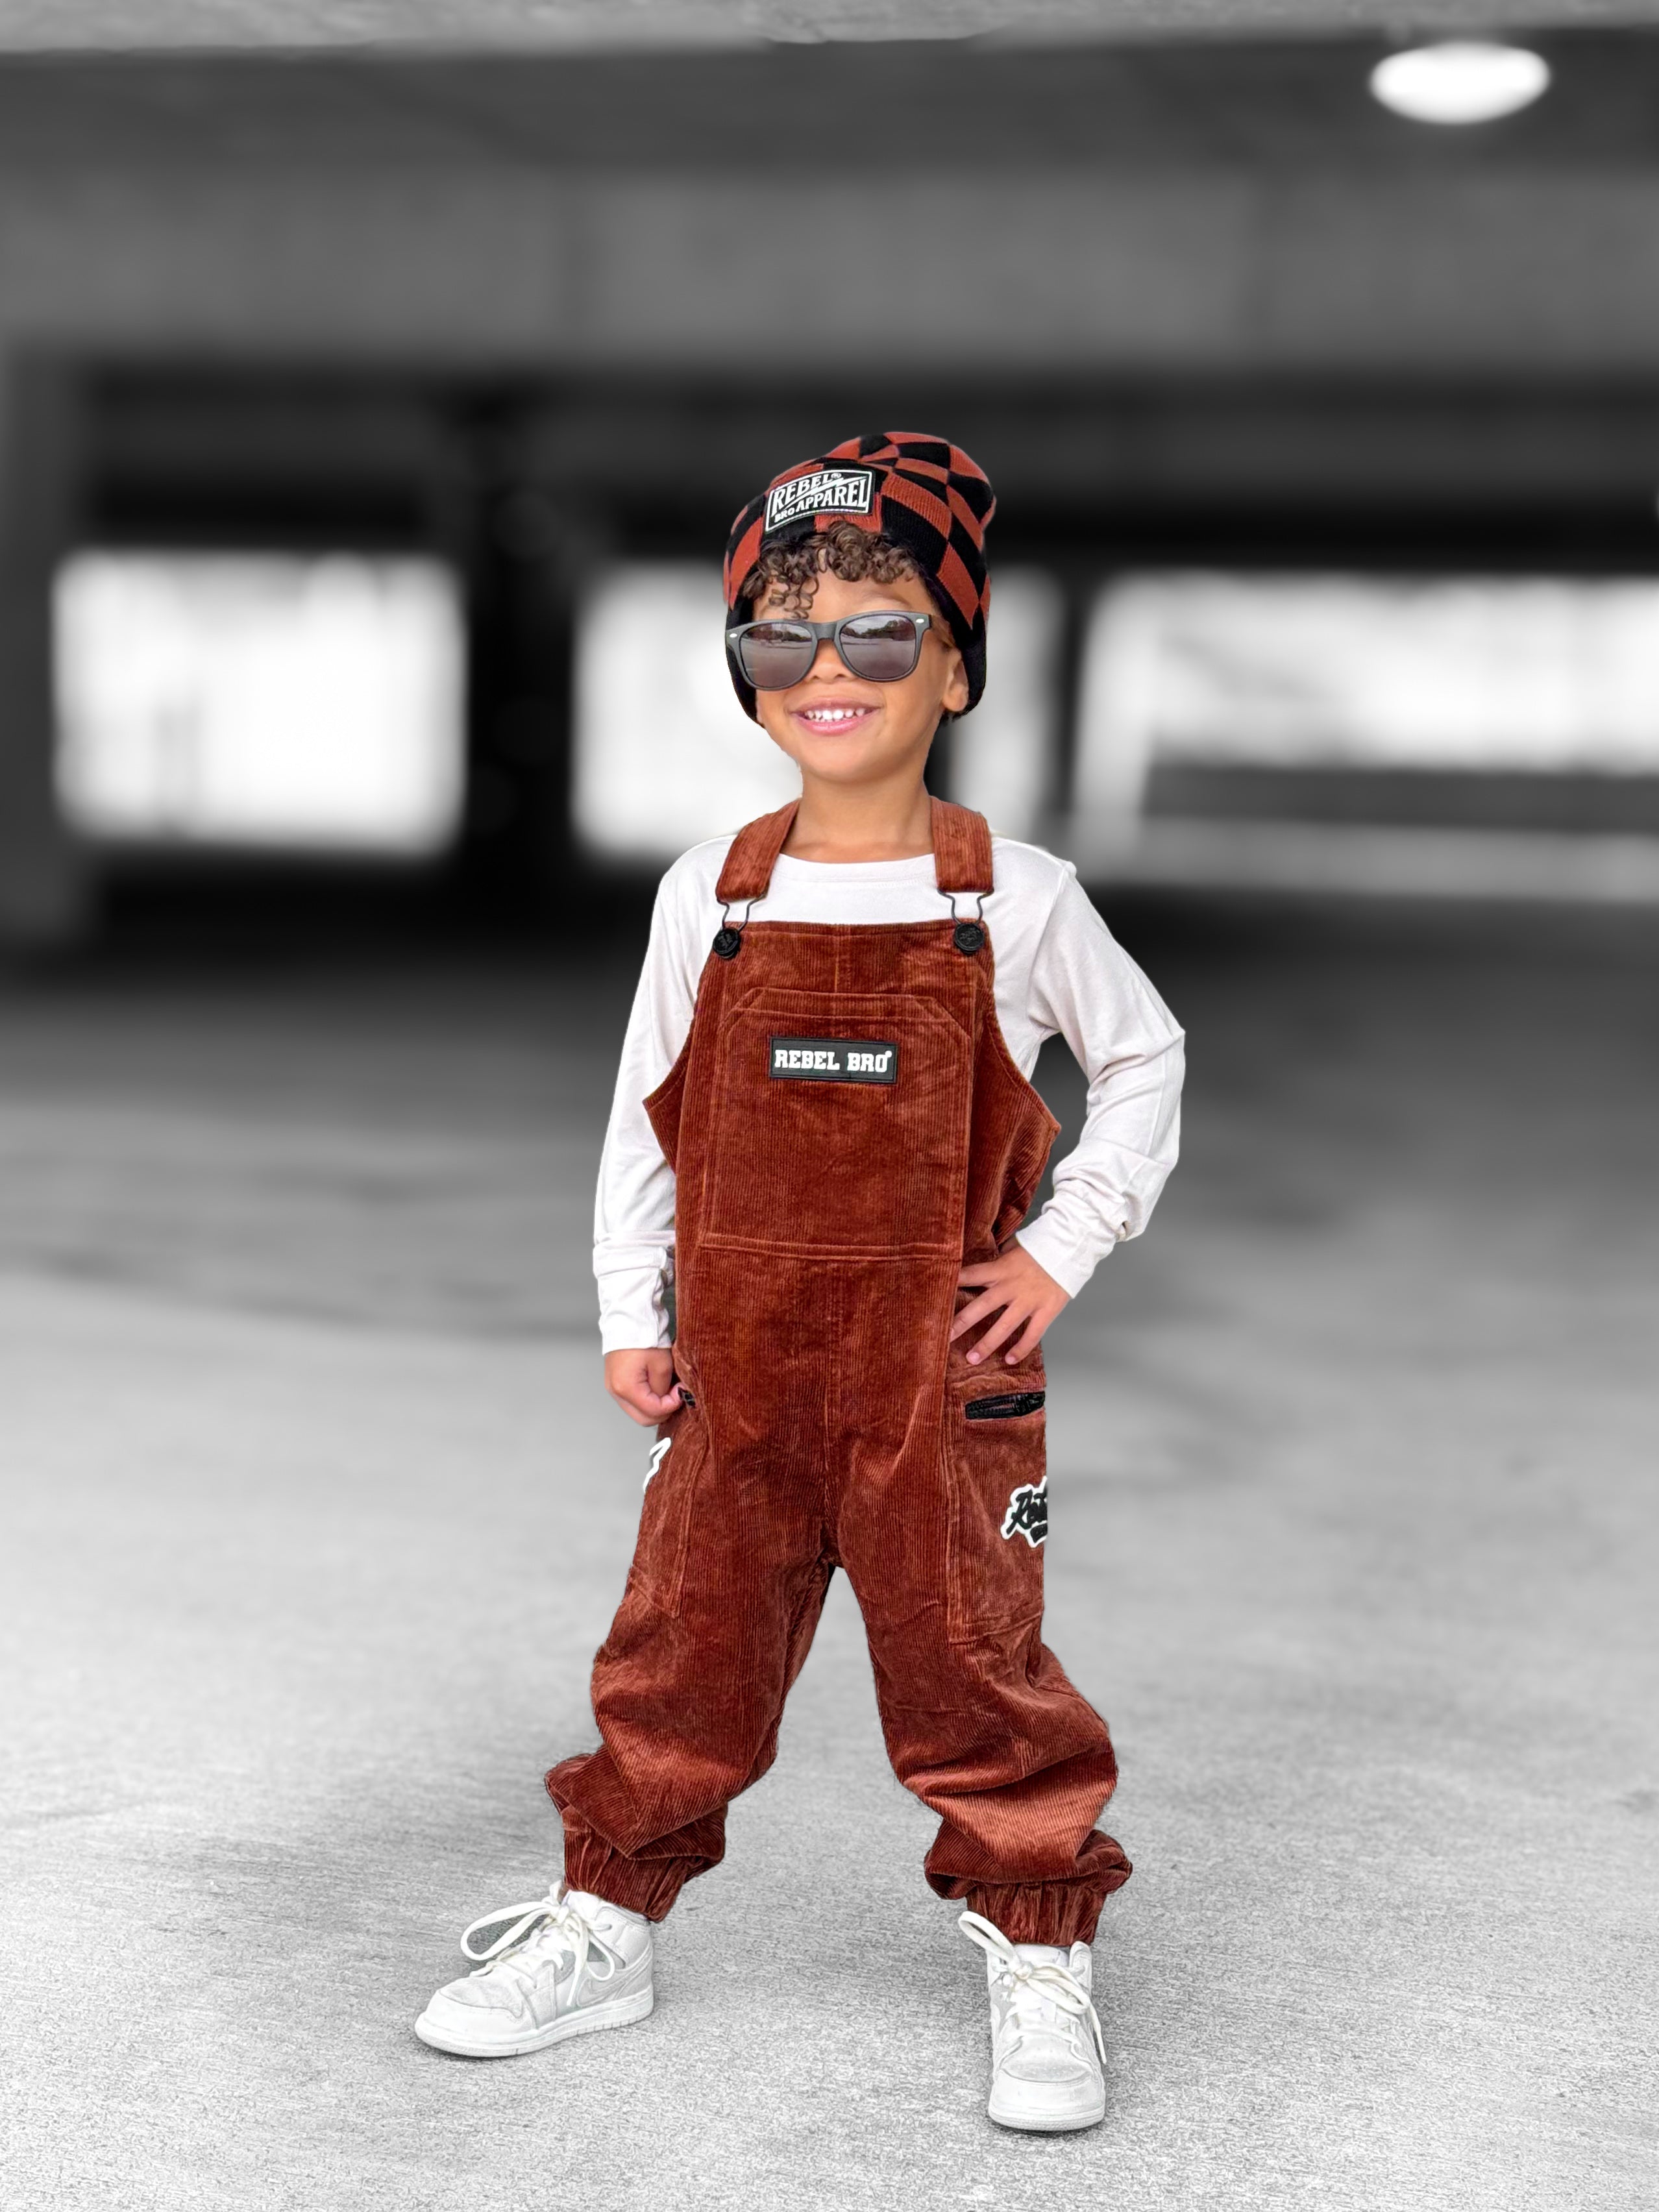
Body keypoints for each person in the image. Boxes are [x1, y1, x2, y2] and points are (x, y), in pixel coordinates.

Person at [416, 434, 1184, 2133]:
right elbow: (647, 1113)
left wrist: (1060, 1248)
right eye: (785, 634)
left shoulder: (1017, 900)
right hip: (737, 1369)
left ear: (956, 665)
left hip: (939, 1382)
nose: (830, 667)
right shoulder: (715, 894)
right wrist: (629, 1312)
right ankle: (604, 1926)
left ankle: (1037, 1943)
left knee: (975, 1667)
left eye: (881, 631)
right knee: (678, 1653)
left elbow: (1146, 1060)